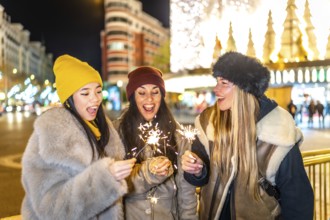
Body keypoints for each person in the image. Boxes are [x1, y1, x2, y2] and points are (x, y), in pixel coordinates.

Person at [181, 51, 314, 220]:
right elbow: (199, 177)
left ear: (244, 89)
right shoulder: (208, 122)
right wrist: (197, 170)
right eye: (217, 82)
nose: (216, 89)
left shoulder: (279, 131)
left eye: (224, 83)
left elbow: (298, 200)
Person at [21, 54, 136, 219]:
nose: (95, 99)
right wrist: (105, 178)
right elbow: (52, 209)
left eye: (98, 91)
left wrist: (149, 172)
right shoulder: (51, 136)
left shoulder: (103, 129)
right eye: (85, 93)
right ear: (69, 98)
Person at [112, 66, 198, 219]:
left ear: (162, 95)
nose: (149, 99)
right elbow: (112, 186)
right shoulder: (116, 132)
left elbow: (186, 192)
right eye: (142, 92)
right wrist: (147, 173)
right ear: (132, 97)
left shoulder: (177, 134)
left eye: (155, 92)